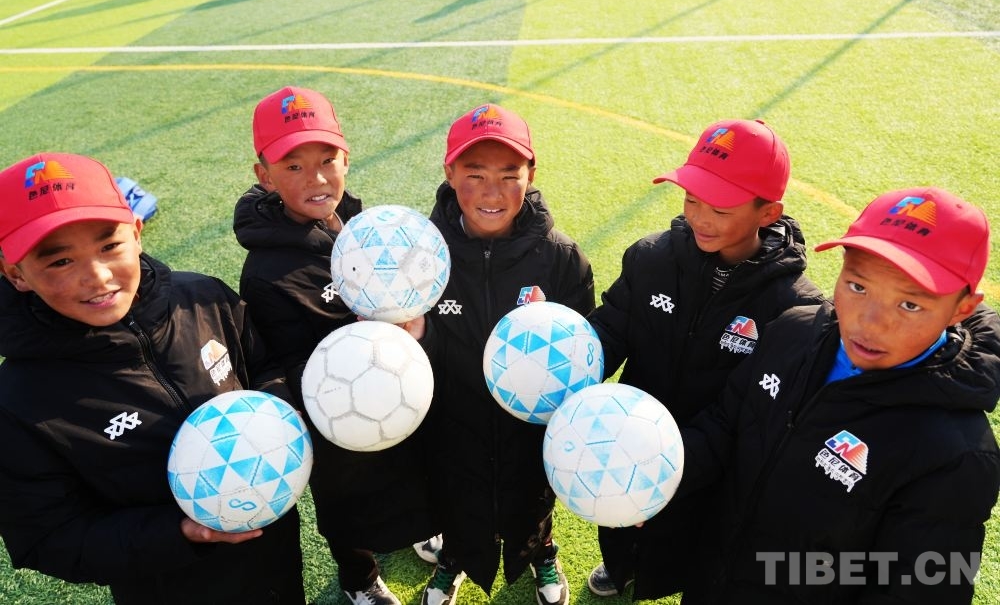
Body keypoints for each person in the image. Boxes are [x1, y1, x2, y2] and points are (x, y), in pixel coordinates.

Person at [0, 153, 303, 604]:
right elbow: (48, 537)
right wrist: (179, 533)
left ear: (137, 233)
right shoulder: (19, 402)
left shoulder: (203, 298)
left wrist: (279, 419)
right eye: (60, 261)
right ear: (15, 274)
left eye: (109, 246)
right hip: (170, 586)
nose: (97, 277)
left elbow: (263, 364)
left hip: (275, 551)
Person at [675, 186, 1000, 603]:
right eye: (858, 286)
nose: (869, 323)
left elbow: (920, 588)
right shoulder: (792, 330)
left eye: (910, 305)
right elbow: (726, 422)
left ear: (962, 309)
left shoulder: (957, 454)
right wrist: (667, 477)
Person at [585, 119, 825, 599]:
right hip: (630, 440)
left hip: (711, 464)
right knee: (619, 521)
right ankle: (620, 565)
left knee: (694, 545)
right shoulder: (651, 257)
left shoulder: (794, 308)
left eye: (720, 208)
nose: (700, 218)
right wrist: (575, 362)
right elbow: (612, 327)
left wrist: (674, 466)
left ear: (768, 212)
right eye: (691, 199)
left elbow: (754, 413)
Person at [234, 86, 439, 605]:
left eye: (328, 160)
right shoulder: (266, 272)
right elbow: (281, 360)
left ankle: (420, 528)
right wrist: (361, 342)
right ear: (264, 175)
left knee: (410, 464)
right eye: (294, 166)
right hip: (330, 413)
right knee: (345, 501)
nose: (317, 178)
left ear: (346, 157)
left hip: (392, 385)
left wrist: (407, 322)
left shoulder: (356, 224)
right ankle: (358, 577)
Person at [418, 103, 596, 605]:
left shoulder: (561, 258)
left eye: (508, 175)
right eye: (474, 174)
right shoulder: (423, 254)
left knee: (532, 499)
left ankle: (543, 550)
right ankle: (453, 557)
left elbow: (582, 351)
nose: (492, 193)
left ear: (531, 173)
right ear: (450, 172)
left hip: (529, 430)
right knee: (456, 498)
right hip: (453, 421)